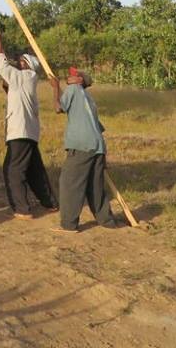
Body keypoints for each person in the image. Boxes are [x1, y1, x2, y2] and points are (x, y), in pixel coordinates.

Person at [0, 28, 58, 219]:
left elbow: (2, 66)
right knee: (34, 169)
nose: (18, 63)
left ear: (27, 65)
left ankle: (22, 209)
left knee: (13, 169)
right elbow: (12, 91)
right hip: (29, 132)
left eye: (21, 62)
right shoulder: (25, 81)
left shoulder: (26, 76)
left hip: (20, 132)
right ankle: (49, 202)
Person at [52, 68, 115, 232]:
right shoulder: (89, 98)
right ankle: (106, 221)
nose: (69, 76)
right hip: (98, 146)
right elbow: (98, 127)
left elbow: (59, 108)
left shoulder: (73, 89)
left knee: (70, 183)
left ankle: (68, 225)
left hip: (82, 145)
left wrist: (55, 87)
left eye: (73, 75)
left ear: (80, 80)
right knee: (95, 186)